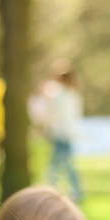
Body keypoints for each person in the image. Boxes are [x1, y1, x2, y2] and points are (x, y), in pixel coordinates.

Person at [34, 60, 85, 203]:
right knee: (62, 164)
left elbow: (48, 113)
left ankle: (55, 193)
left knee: (59, 165)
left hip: (62, 134)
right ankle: (66, 192)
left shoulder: (64, 95)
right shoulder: (70, 94)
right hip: (62, 134)